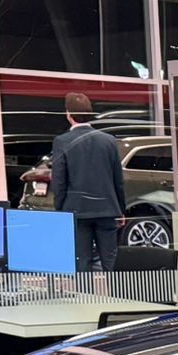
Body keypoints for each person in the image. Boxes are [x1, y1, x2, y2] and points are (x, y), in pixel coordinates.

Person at [48, 92, 126, 273]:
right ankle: (119, 299)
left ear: (68, 114)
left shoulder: (62, 141)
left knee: (82, 262)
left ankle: (86, 300)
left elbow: (59, 181)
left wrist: (60, 210)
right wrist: (121, 209)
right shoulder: (109, 141)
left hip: (77, 211)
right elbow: (118, 179)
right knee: (111, 261)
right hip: (108, 210)